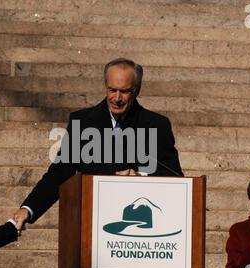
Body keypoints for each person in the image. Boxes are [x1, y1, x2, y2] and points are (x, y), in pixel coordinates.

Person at [17, 57, 184, 223]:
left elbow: (174, 177)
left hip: (137, 227)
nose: (117, 98)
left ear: (137, 90)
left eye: (124, 91)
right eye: (112, 90)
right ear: (105, 86)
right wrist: (28, 209)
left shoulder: (157, 125)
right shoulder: (82, 123)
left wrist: (141, 177)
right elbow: (60, 173)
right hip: (93, 220)